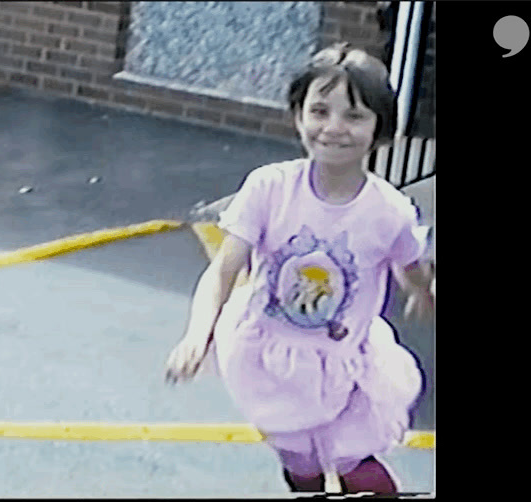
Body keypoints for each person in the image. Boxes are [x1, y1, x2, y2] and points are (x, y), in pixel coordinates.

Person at [165, 42, 435, 495]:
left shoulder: (389, 211)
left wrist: (421, 291)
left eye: (354, 116)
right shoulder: (269, 187)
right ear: (298, 115)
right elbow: (224, 270)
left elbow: (411, 263)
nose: (334, 128)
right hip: (270, 357)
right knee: (300, 461)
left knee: (354, 460)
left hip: (346, 362)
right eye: (320, 111)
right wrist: (197, 334)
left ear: (380, 128)